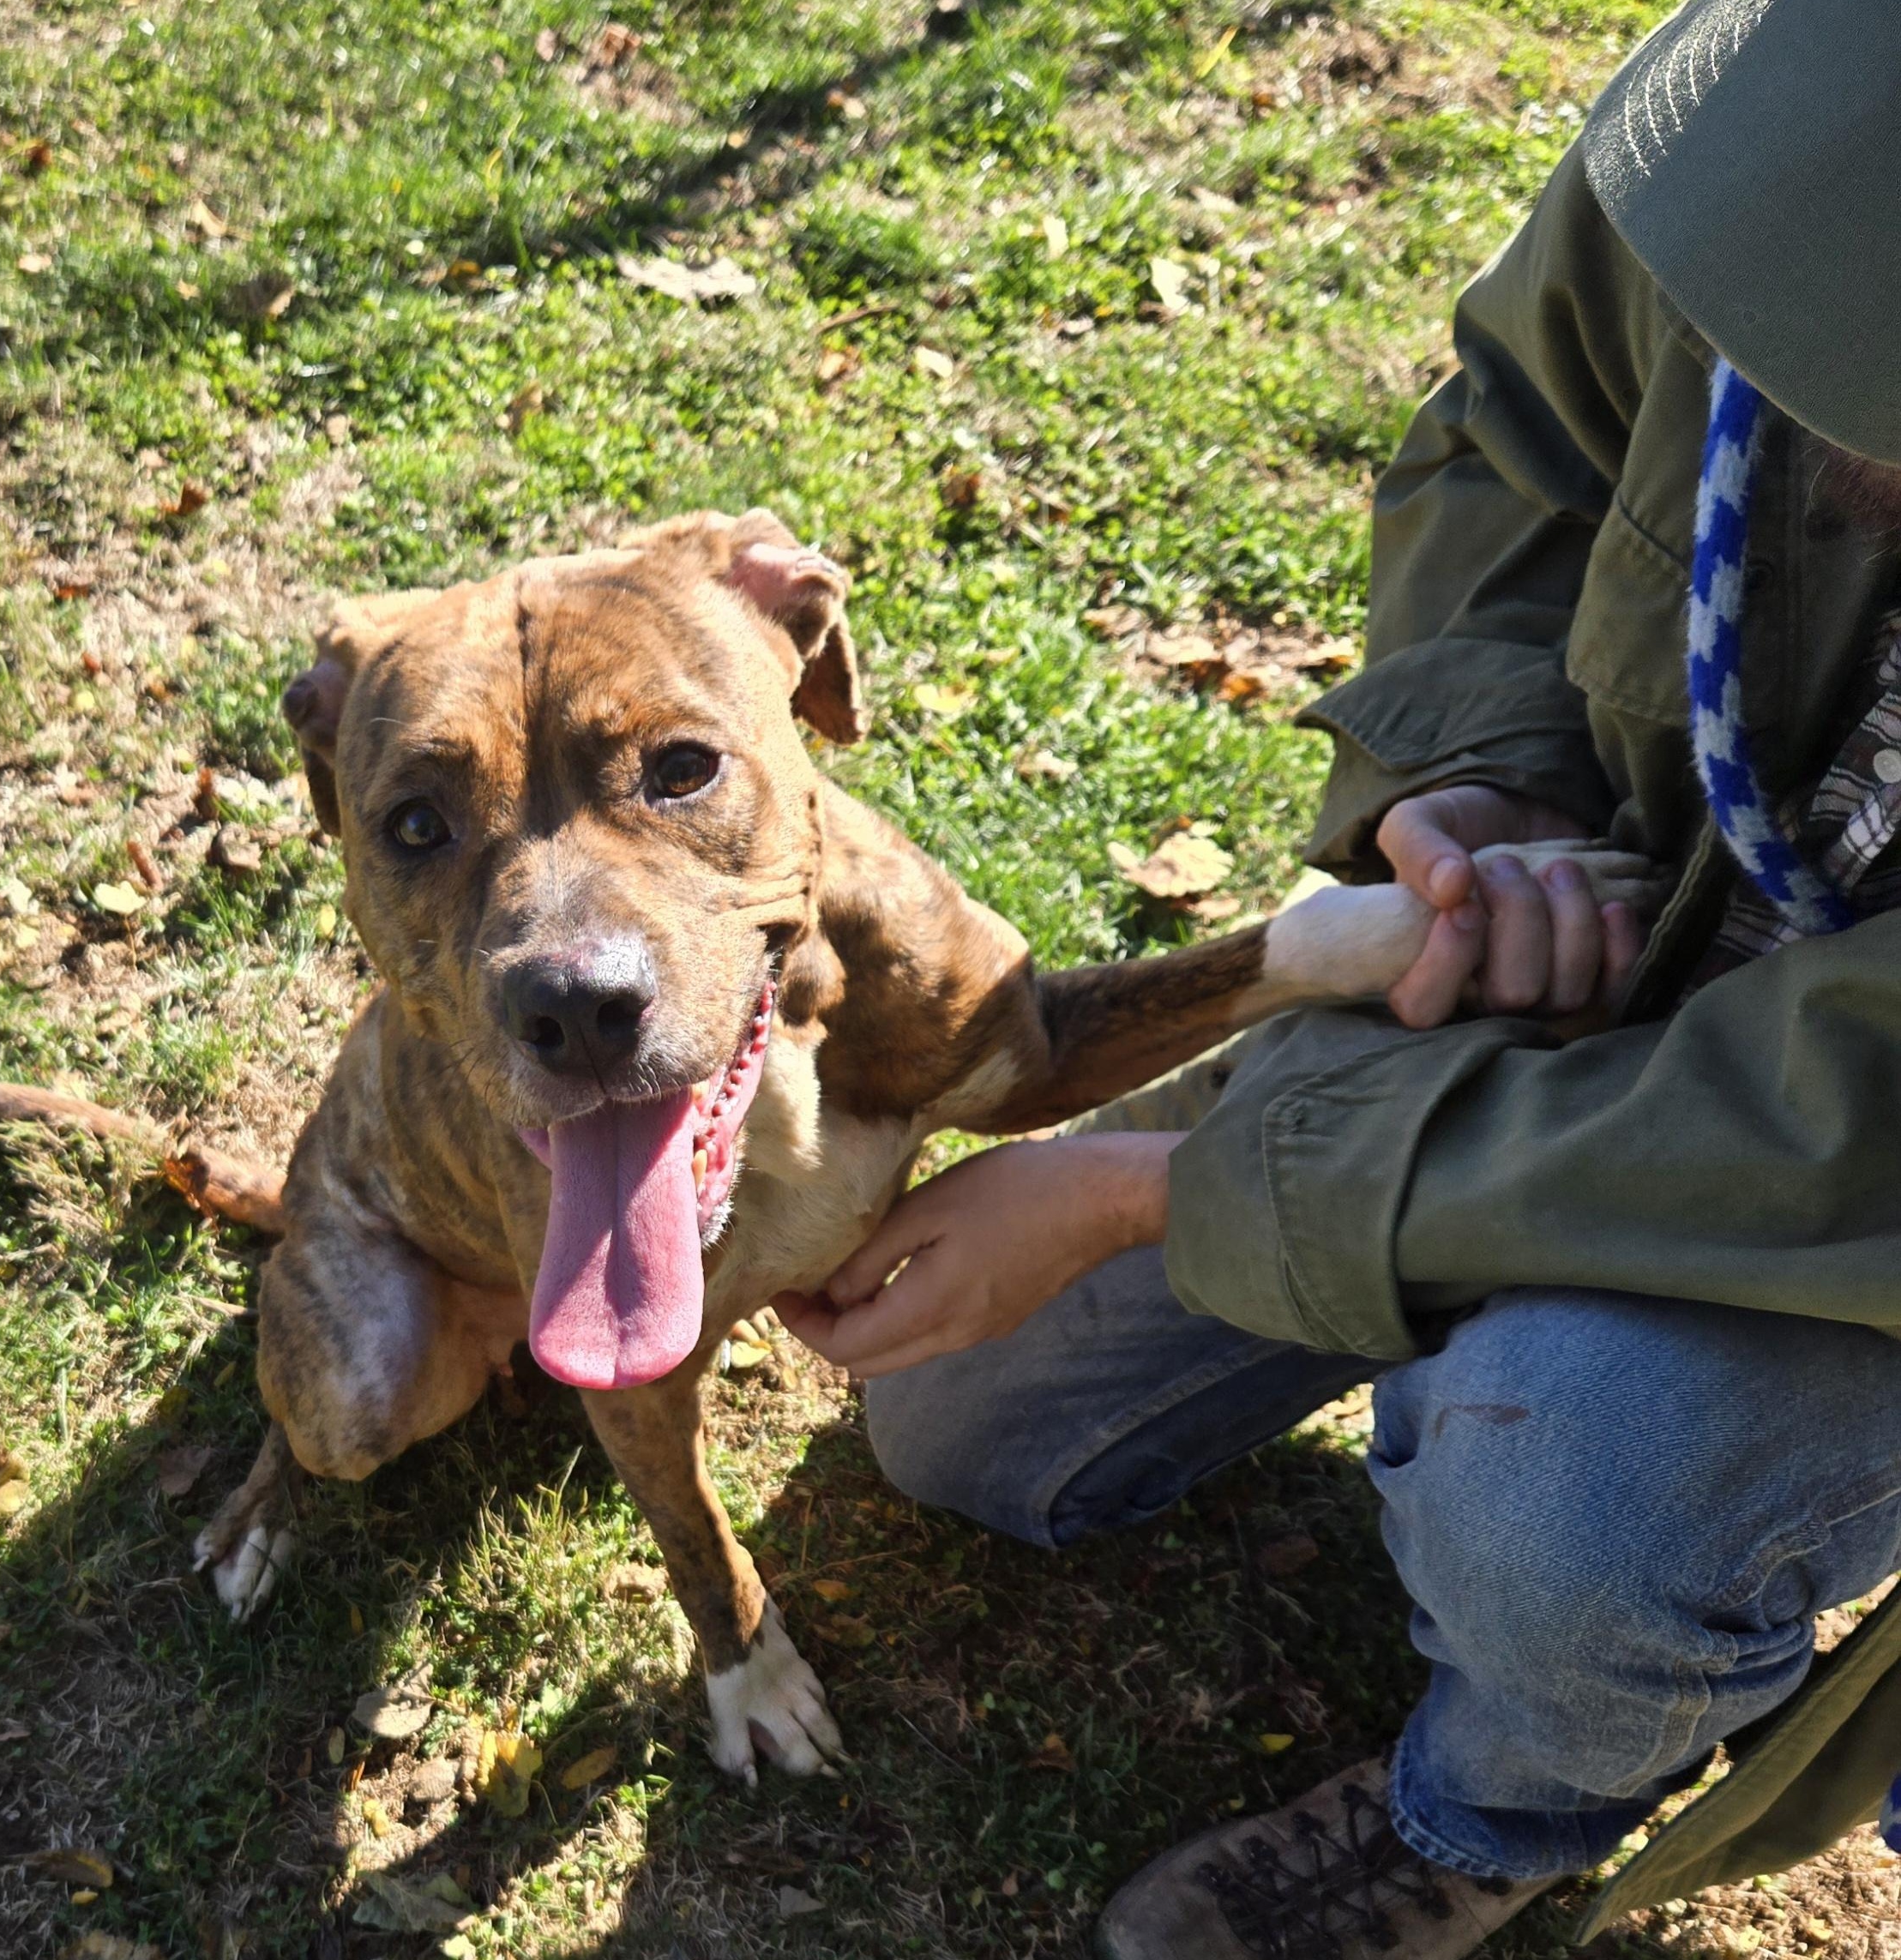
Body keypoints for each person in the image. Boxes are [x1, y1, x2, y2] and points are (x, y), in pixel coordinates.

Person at [773, 3, 1901, 1954]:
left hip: (1854, 1209)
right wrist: (1481, 780)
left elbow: (1846, 1139)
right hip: (1622, 970)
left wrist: (1162, 1191)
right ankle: (1491, 1341)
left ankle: (1496, 1807)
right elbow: (1524, 434)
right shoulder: (1787, 109)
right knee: (960, 1422)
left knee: (1563, 1496)